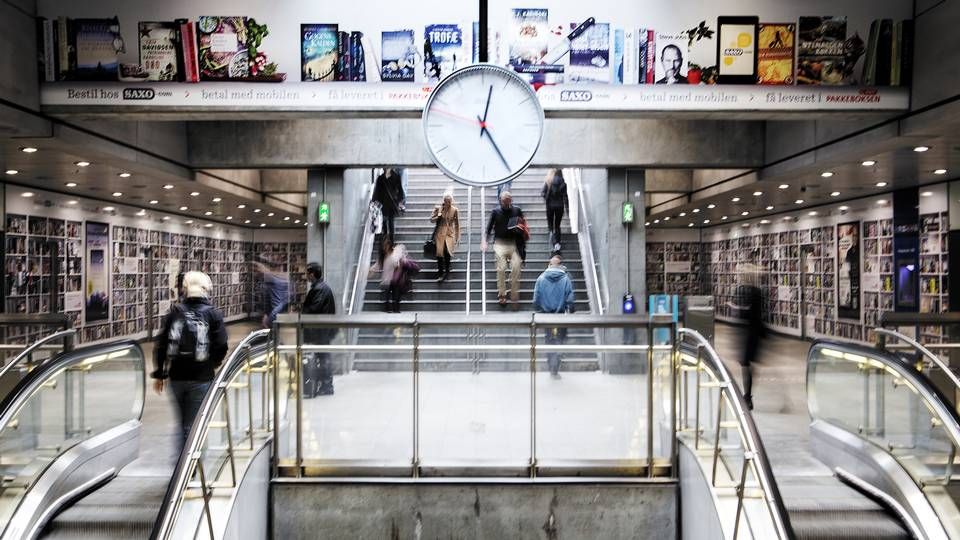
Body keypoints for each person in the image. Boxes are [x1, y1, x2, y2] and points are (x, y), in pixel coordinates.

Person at [151, 271, 229, 451]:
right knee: (195, 423)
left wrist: (160, 374)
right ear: (206, 289)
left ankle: (180, 463)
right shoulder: (213, 314)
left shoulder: (175, 312)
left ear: (184, 289)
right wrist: (212, 364)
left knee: (182, 422)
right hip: (202, 377)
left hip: (176, 376)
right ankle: (192, 467)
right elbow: (221, 345)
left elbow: (162, 344)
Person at [729, 263, 765, 410]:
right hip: (752, 332)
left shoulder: (742, 290)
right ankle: (748, 395)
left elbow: (744, 312)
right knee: (747, 365)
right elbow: (757, 313)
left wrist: (735, 307)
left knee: (746, 365)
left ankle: (748, 396)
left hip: (747, 333)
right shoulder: (756, 291)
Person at [482, 191, 526, 308]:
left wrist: (520, 228)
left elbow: (523, 225)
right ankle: (502, 294)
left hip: (514, 244)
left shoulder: (517, 210)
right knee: (501, 268)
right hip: (500, 243)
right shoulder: (496, 212)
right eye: (504, 200)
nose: (506, 202)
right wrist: (485, 241)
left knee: (516, 267)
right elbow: (489, 227)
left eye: (508, 200)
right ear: (501, 201)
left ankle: (513, 292)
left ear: (511, 200)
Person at [533, 255, 575, 378]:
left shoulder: (541, 278)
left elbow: (536, 299)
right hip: (561, 315)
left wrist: (539, 308)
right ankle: (556, 364)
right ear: (561, 265)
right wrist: (571, 310)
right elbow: (570, 298)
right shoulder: (566, 279)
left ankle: (551, 364)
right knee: (560, 339)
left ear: (549, 265)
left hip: (547, 316)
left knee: (549, 339)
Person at [302, 262, 337, 397]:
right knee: (323, 356)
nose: (306, 276)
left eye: (307, 273)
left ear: (312, 274)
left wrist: (302, 313)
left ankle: (327, 385)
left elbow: (313, 309)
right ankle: (325, 384)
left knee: (323, 357)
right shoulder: (321, 287)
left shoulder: (319, 289)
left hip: (321, 331)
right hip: (323, 330)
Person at [430, 193, 461, 282]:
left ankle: (447, 271)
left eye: (450, 201)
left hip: (449, 233)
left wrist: (458, 236)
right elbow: (431, 219)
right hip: (439, 233)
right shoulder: (438, 209)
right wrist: (438, 217)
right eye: (447, 202)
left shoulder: (454, 210)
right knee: (440, 254)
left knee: (447, 252)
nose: (449, 203)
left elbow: (457, 224)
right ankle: (440, 273)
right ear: (444, 201)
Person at [379, 238, 412, 313]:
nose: (385, 247)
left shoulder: (394, 253)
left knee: (396, 295)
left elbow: (397, 264)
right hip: (387, 279)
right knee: (387, 295)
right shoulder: (384, 255)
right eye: (384, 246)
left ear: (389, 246)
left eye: (386, 246)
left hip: (395, 278)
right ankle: (388, 308)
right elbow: (379, 264)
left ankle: (396, 309)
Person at [372, 168, 405, 240]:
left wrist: (399, 200)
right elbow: (377, 191)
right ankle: (385, 241)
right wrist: (375, 201)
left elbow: (400, 190)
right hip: (383, 204)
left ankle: (391, 242)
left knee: (391, 222)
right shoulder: (380, 178)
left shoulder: (396, 176)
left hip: (392, 203)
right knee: (384, 223)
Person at [541, 169, 569, 253]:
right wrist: (567, 208)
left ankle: (551, 240)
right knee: (557, 225)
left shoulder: (548, 181)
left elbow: (542, 193)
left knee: (550, 225)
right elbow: (565, 196)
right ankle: (557, 244)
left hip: (550, 206)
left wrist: (547, 197)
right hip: (559, 206)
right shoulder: (563, 182)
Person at [256, 260, 289, 328]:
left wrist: (269, 319)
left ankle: (272, 333)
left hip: (274, 310)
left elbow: (276, 303)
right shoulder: (270, 280)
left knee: (271, 325)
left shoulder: (274, 279)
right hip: (272, 309)